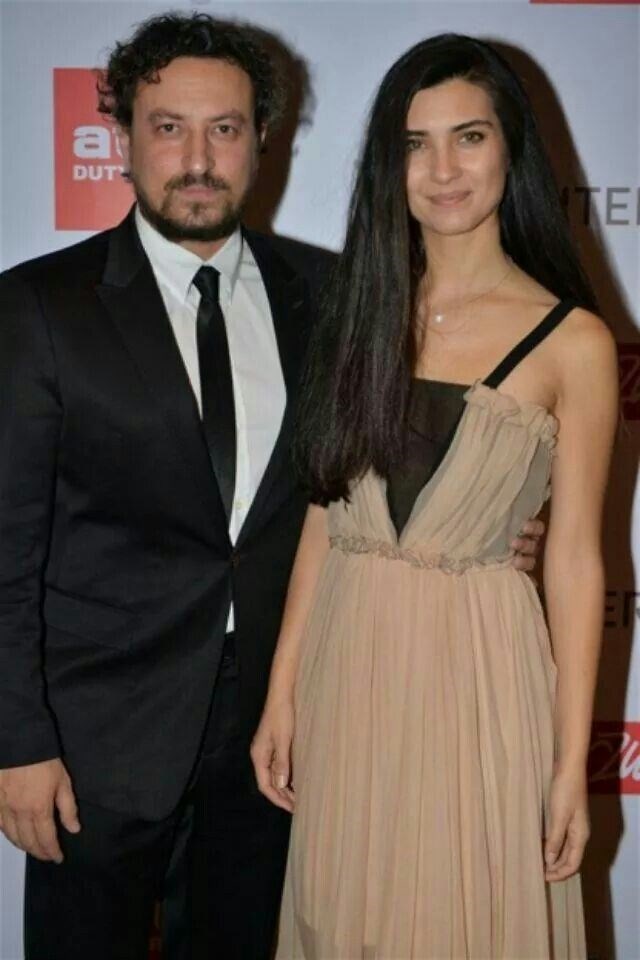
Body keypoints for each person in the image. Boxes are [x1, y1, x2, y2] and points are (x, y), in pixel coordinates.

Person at [0, 15, 542, 960]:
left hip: (282, 734)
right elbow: (6, 551)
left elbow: (379, 479)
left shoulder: (334, 296)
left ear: (263, 140)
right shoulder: (40, 306)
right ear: (122, 136)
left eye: (225, 128)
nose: (197, 159)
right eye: (169, 128)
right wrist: (18, 742)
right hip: (96, 747)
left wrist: (506, 528)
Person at [252, 33, 618, 960]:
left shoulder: (574, 342)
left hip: (480, 676)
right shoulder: (358, 307)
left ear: (511, 149)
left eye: (470, 137)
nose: (443, 170)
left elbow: (577, 562)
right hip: (349, 662)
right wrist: (282, 690)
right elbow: (326, 514)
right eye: (415, 144)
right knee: (344, 915)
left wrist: (569, 766)